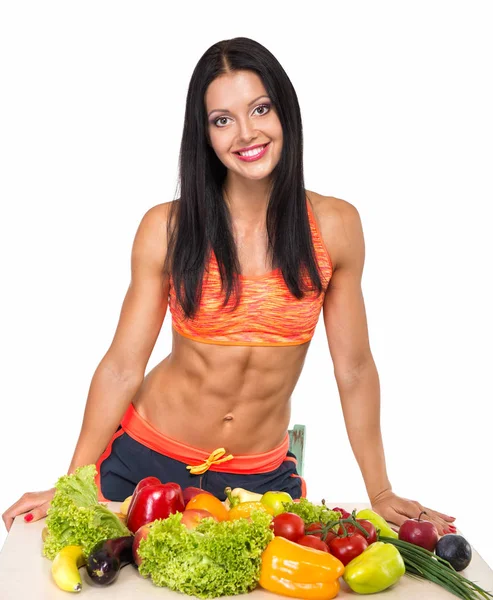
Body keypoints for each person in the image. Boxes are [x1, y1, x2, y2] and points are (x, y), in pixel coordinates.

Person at [3, 37, 456, 536]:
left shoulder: (335, 226)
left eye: (260, 109)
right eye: (222, 120)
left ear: (286, 112)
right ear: (205, 135)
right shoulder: (166, 228)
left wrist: (381, 491)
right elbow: (121, 366)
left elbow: (353, 368)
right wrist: (71, 483)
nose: (246, 133)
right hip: (143, 464)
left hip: (259, 480)